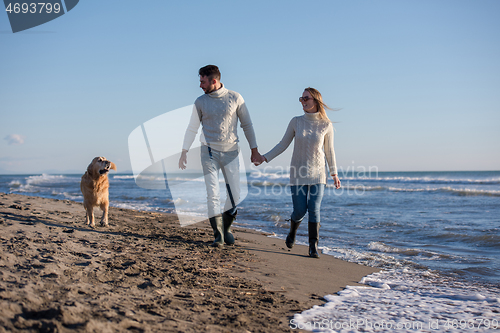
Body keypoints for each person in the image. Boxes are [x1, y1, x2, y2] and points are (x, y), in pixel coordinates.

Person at [179, 65, 264, 247]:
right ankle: (218, 235)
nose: (200, 85)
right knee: (213, 194)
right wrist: (184, 150)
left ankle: (226, 229)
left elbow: (247, 125)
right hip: (208, 152)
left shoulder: (235, 97)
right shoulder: (200, 102)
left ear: (214, 81)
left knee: (235, 196)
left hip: (231, 153)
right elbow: (192, 128)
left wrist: (254, 149)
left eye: (203, 81)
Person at [261, 88, 341, 258]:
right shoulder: (296, 122)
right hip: (297, 174)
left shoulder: (326, 125)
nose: (303, 101)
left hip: (318, 175)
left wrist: (334, 173)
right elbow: (283, 144)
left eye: (306, 98)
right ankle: (292, 232)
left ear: (316, 100)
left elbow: (329, 151)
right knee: (299, 211)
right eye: (301, 98)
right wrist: (265, 158)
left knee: (314, 209)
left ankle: (313, 246)